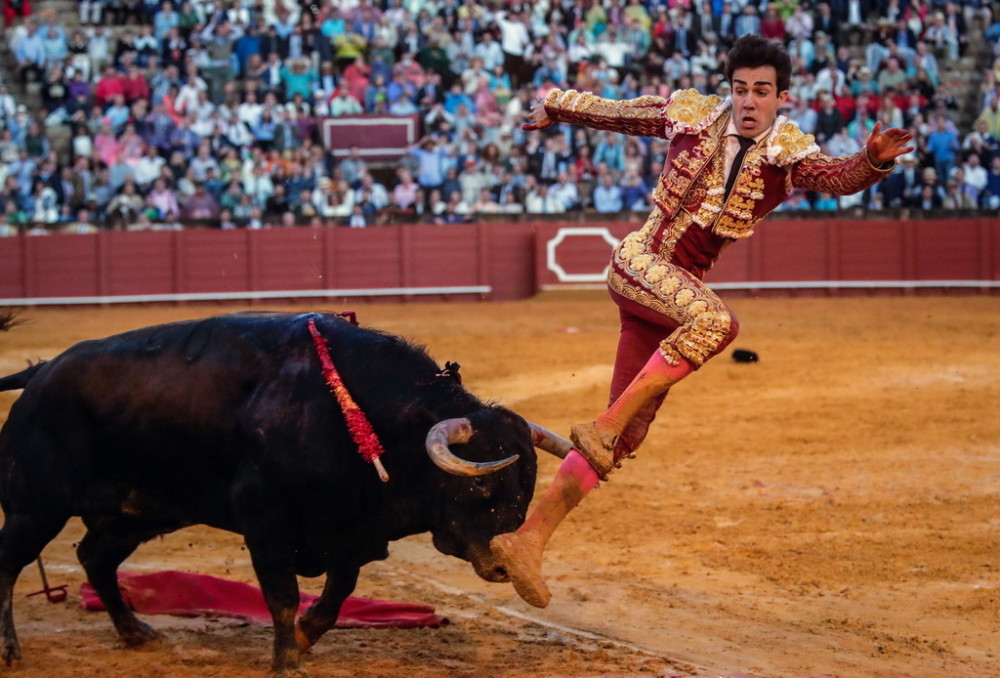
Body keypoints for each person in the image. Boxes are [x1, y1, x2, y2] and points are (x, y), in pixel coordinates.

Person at [489, 34, 913, 609]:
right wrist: (557, 105)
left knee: (626, 437)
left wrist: (870, 162)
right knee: (717, 323)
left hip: (674, 307)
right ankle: (606, 426)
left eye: (761, 91)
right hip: (641, 264)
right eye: (740, 88)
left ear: (781, 98)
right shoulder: (691, 117)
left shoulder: (786, 157)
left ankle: (527, 540)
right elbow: (621, 113)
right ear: (729, 90)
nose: (748, 100)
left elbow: (835, 176)